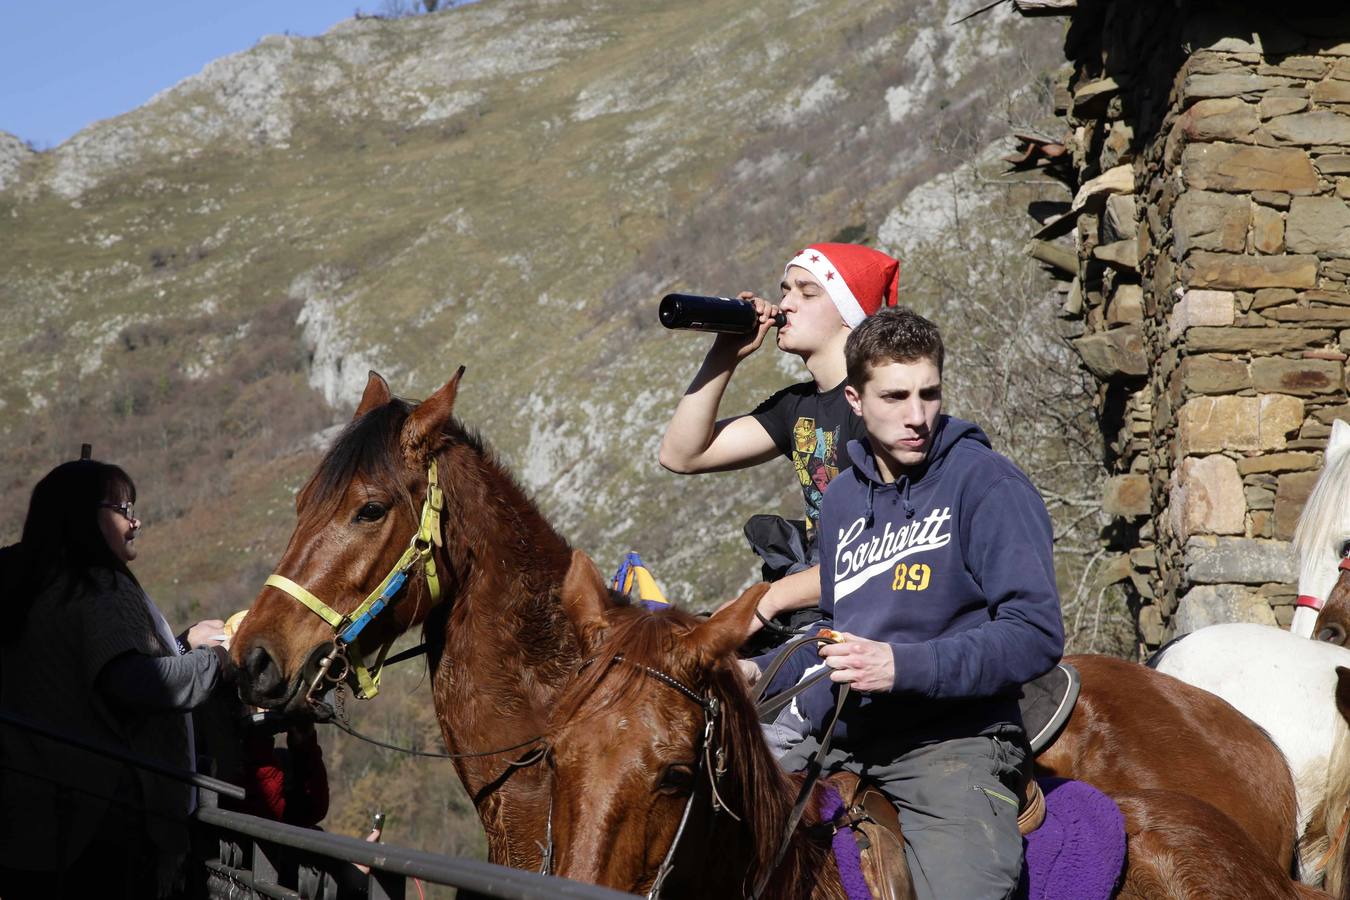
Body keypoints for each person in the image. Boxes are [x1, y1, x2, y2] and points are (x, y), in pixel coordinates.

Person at [742, 308, 1064, 900]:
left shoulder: (988, 485)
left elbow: (1036, 633)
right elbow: (838, 633)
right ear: (855, 399)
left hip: (953, 746)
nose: (916, 416)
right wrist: (759, 673)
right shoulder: (840, 499)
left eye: (928, 394)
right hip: (842, 732)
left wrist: (902, 667)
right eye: (894, 397)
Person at [0, 459, 233, 899]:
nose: (135, 520)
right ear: (84, 514)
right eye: (124, 508)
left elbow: (85, 671)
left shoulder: (26, 584)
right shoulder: (97, 586)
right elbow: (134, 683)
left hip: (30, 821)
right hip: (98, 825)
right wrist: (216, 660)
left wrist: (180, 644)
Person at [658, 242, 901, 634]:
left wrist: (763, 601)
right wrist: (725, 353)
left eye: (807, 292)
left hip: (872, 612)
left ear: (850, 315)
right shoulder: (795, 407)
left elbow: (881, 547)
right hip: (819, 595)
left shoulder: (877, 406)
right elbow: (681, 455)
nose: (786, 303)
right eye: (785, 290)